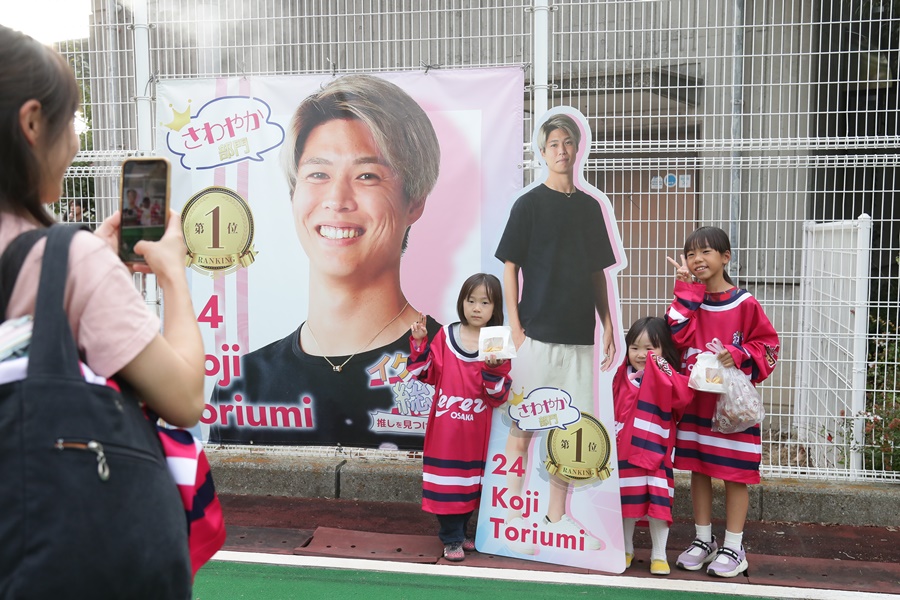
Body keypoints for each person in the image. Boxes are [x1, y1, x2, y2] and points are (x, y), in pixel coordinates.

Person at [0, 25, 205, 595]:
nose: (73, 142)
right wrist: (173, 275)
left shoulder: (72, 260)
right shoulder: (74, 263)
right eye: (72, 122)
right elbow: (184, 397)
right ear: (32, 123)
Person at [211, 74, 442, 448]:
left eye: (367, 175)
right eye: (318, 174)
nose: (337, 199)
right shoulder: (243, 387)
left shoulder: (459, 371)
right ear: (294, 195)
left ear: (414, 201)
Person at [494, 111, 622, 551]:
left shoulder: (590, 207)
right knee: (523, 428)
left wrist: (608, 324)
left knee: (569, 434)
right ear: (542, 152)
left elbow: (597, 272)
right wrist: (515, 326)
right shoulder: (528, 204)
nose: (562, 150)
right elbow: (509, 266)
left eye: (568, 142)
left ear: (577, 148)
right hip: (536, 336)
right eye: (553, 144)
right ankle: (512, 515)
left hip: (579, 338)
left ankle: (556, 517)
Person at [665, 226, 779, 578]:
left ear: (725, 257)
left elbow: (769, 346)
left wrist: (738, 353)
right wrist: (685, 291)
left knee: (734, 473)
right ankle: (703, 540)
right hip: (696, 403)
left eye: (706, 252)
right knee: (698, 469)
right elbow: (674, 334)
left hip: (731, 409)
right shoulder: (690, 299)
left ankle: (734, 546)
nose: (697, 259)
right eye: (691, 254)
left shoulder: (744, 303)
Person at [407, 273, 512, 561]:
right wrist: (419, 342)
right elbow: (424, 374)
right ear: (461, 302)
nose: (476, 308)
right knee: (447, 486)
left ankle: (462, 533)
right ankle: (451, 538)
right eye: (471, 300)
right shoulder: (445, 335)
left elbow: (498, 396)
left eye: (485, 302)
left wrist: (493, 369)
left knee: (469, 487)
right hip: (446, 430)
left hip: (477, 432)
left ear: (496, 307)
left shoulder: (497, 340)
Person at [613, 317, 692, 576]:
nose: (641, 354)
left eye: (650, 348)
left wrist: (662, 368)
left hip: (657, 453)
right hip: (624, 451)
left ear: (663, 350)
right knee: (625, 500)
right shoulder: (619, 376)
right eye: (634, 347)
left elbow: (683, 397)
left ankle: (659, 554)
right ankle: (625, 548)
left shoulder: (668, 377)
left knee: (659, 503)